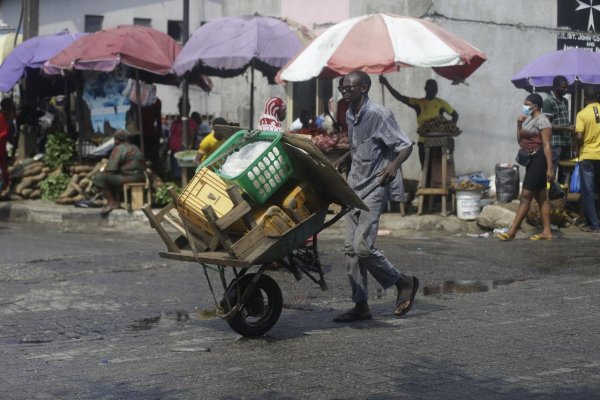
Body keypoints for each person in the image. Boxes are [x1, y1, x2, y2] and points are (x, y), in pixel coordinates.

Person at [332, 70, 418, 322]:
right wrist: (346, 157)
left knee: (363, 248)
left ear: (364, 88)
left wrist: (393, 166)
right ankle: (361, 305)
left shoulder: (380, 114)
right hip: (354, 187)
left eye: (350, 87)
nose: (345, 90)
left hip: (375, 186)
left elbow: (405, 145)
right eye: (342, 87)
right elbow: (361, 143)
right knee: (350, 250)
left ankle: (402, 282)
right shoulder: (350, 113)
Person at [497, 93, 553, 241]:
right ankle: (547, 231)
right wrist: (519, 124)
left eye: (527, 104)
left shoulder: (543, 121)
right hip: (530, 160)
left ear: (535, 105)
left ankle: (512, 231)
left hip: (539, 160)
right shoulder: (529, 120)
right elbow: (520, 141)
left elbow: (547, 144)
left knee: (525, 196)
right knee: (541, 197)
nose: (525, 107)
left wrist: (550, 167)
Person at [379, 76, 458, 168]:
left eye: (434, 88)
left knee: (437, 169)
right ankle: (425, 182)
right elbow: (400, 97)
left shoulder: (441, 103)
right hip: (423, 142)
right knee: (425, 168)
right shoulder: (418, 103)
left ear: (436, 90)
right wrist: (386, 83)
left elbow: (455, 115)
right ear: (425, 89)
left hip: (438, 142)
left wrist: (449, 131)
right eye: (430, 87)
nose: (432, 90)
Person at [92, 129, 146, 216]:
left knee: (99, 178)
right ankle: (116, 200)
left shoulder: (119, 148)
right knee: (111, 177)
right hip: (141, 176)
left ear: (117, 140)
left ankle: (112, 202)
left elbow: (112, 169)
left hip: (130, 177)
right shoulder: (135, 147)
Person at [575, 85, 600, 233]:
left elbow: (579, 136)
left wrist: (579, 144)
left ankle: (594, 224)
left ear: (585, 98)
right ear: (597, 97)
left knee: (588, 191)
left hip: (588, 155)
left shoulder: (582, 114)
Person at [542, 75, 575, 184]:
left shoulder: (565, 101)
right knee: (552, 170)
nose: (566, 89)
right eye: (563, 87)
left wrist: (571, 127)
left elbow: (564, 120)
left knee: (565, 171)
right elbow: (546, 124)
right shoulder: (549, 101)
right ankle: (549, 196)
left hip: (566, 142)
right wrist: (566, 128)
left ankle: (561, 196)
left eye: (566, 87)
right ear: (556, 87)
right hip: (555, 143)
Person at [169, 98, 198, 180]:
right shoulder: (176, 122)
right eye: (180, 109)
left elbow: (192, 138)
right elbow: (171, 136)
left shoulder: (190, 123)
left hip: (181, 152)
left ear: (188, 110)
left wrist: (189, 147)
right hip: (173, 151)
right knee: (174, 172)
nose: (181, 111)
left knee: (180, 174)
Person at [0, 98, 15, 195]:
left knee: (4, 169)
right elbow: (4, 133)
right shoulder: (1, 117)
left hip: (2, 150)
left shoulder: (5, 118)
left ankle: (5, 186)